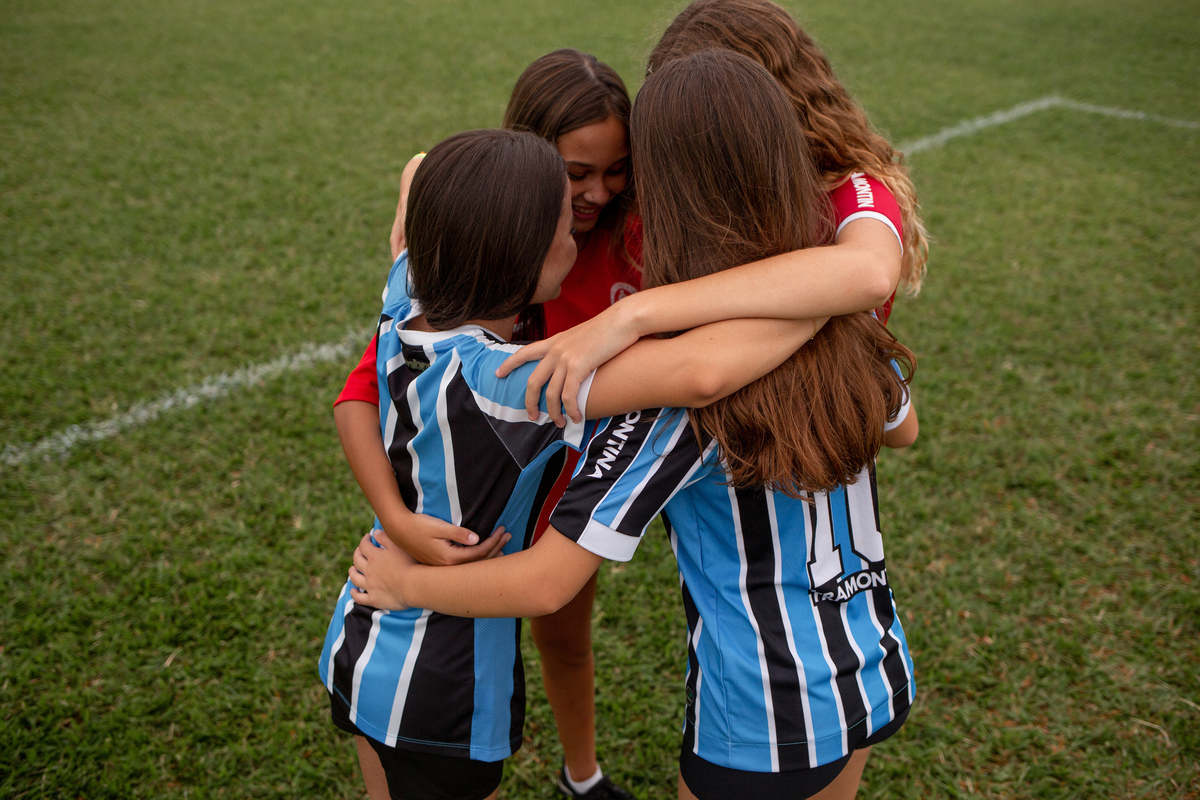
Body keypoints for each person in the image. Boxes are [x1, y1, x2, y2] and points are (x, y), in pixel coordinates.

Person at [334, 45, 907, 799]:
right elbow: (728, 379)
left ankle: (583, 775)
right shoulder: (506, 378)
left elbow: (418, 176)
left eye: (618, 173)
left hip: (395, 640)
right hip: (865, 670)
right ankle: (582, 774)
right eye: (565, 195)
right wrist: (830, 315)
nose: (592, 211)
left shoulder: (409, 293)